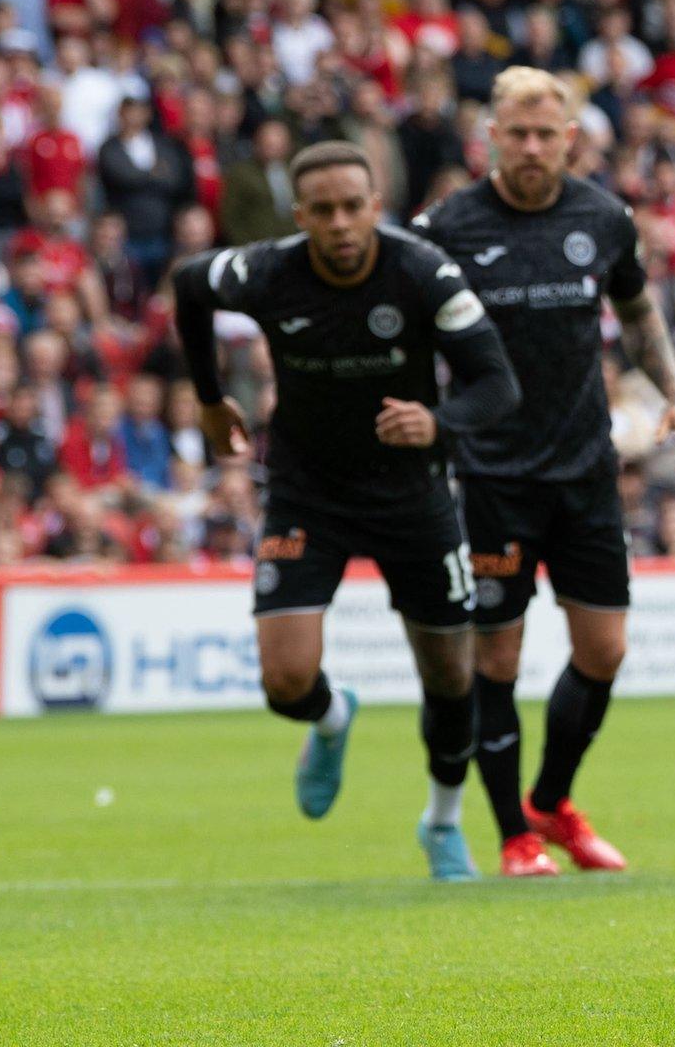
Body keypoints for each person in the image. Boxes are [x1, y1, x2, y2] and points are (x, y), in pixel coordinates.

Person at [172, 141, 521, 881]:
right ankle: (332, 721)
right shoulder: (268, 270)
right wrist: (208, 398)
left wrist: (440, 420)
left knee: (452, 678)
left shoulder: (423, 272)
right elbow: (188, 284)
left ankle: (442, 823)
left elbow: (497, 384)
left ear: (375, 208)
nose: (338, 224)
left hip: (414, 497)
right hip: (308, 492)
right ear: (300, 216)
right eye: (322, 211)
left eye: (352, 207)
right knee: (286, 682)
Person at [413, 67, 675, 877]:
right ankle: (513, 835)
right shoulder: (446, 227)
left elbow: (640, 315)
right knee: (494, 662)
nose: (533, 147)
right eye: (518, 133)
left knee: (604, 650)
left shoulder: (604, 218)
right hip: (493, 474)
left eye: (547, 134)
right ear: (492, 137)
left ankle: (551, 802)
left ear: (570, 137)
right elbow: (408, 333)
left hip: (584, 470)